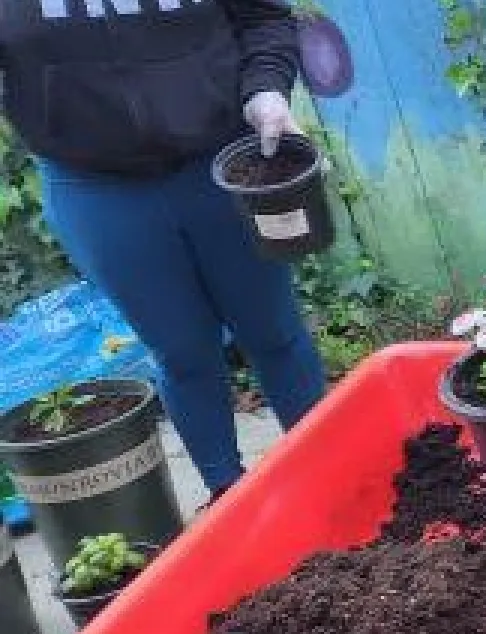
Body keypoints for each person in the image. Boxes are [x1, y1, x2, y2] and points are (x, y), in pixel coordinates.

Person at [0, 0, 328, 502]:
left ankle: (332, 476)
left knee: (274, 333)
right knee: (183, 354)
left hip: (225, 166)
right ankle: (231, 499)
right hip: (96, 188)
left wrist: (266, 89)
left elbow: (262, 16)